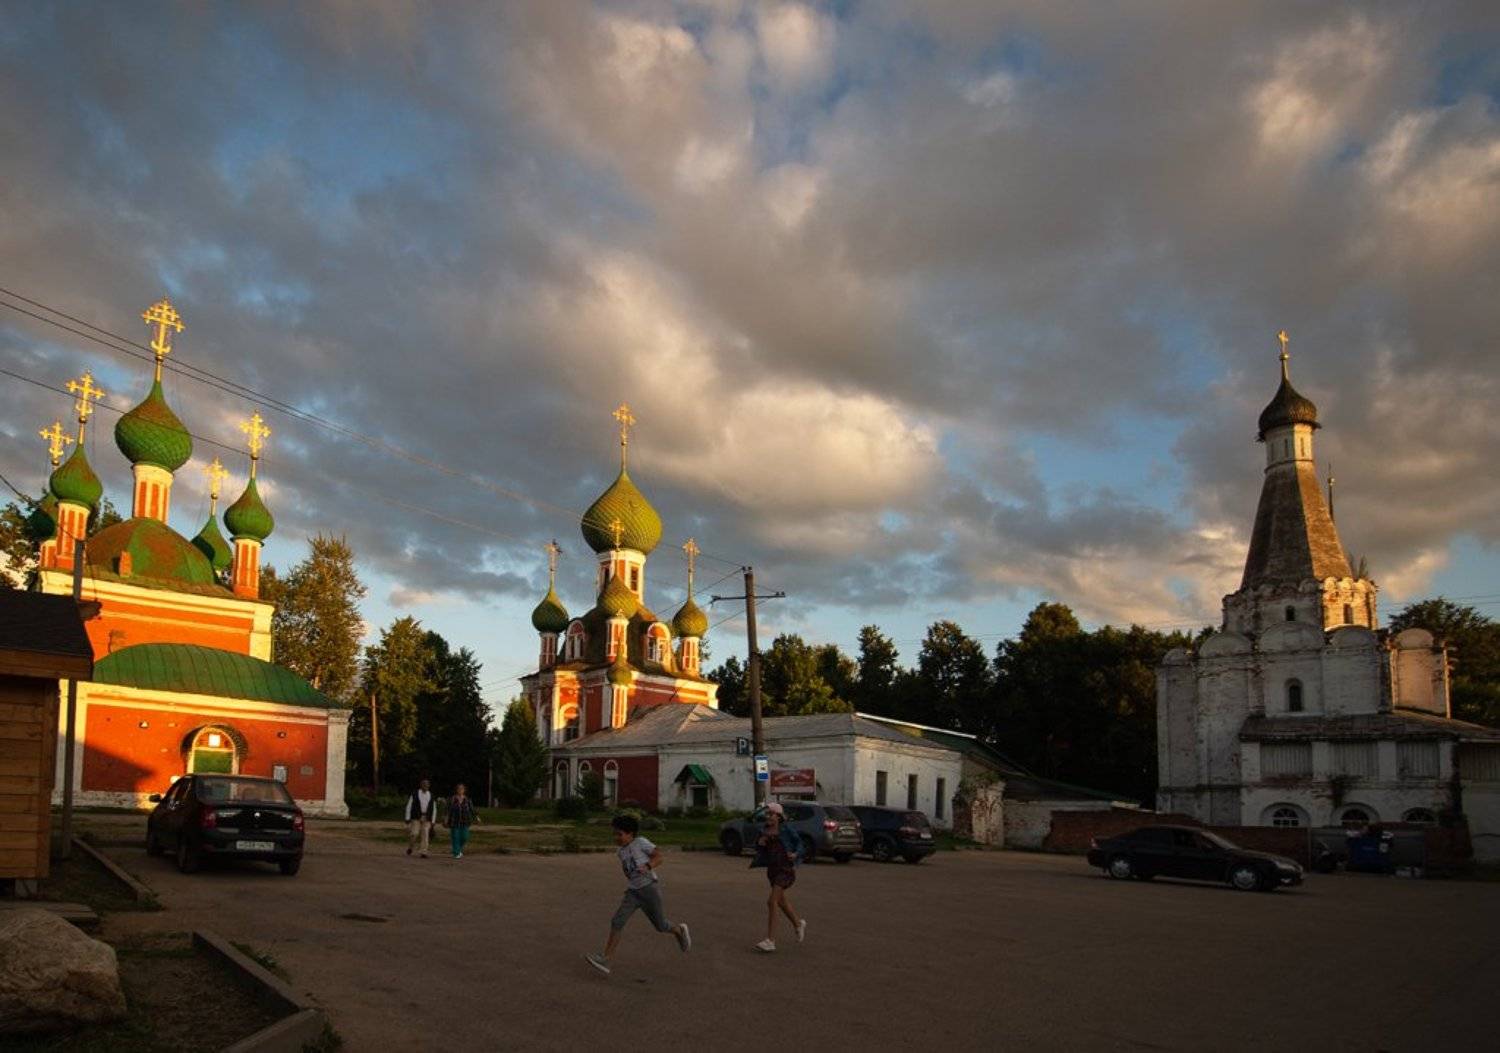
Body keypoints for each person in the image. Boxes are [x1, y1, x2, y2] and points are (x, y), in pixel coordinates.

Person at [585, 814, 690, 976]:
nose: (616, 837)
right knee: (617, 921)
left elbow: (659, 856)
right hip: (633, 893)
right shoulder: (621, 851)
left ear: (630, 834)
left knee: (660, 925)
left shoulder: (640, 842)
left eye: (619, 834)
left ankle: (679, 931)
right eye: (614, 834)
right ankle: (606, 959)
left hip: (649, 890)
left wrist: (648, 866)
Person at [755, 802, 805, 952]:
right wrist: (760, 843)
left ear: (778, 816)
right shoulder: (764, 831)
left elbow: (800, 844)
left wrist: (795, 854)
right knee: (781, 902)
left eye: (771, 814)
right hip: (773, 871)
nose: (768, 817)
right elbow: (759, 848)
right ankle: (798, 924)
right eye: (767, 814)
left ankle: (770, 941)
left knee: (771, 902)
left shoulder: (786, 829)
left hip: (785, 870)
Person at [444, 782, 480, 859]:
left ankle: (458, 849)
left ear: (464, 790)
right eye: (459, 789)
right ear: (456, 790)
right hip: (454, 822)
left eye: (462, 789)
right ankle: (456, 853)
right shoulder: (452, 799)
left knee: (464, 837)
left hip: (465, 821)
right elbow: (447, 810)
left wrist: (477, 817)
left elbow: (472, 809)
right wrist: (446, 820)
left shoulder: (467, 800)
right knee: (455, 837)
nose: (460, 790)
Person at [404, 778, 436, 858]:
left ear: (429, 786)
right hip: (416, 817)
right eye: (424, 784)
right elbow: (409, 806)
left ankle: (423, 852)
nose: (425, 786)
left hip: (427, 817)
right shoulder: (415, 794)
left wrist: (433, 820)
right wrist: (407, 817)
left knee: (425, 833)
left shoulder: (431, 795)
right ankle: (411, 847)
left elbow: (434, 809)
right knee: (414, 834)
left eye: (427, 784)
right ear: (421, 785)